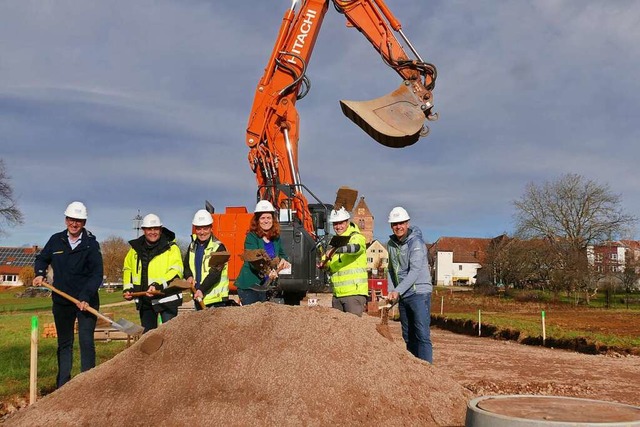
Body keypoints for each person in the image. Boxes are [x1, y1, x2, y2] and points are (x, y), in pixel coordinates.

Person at [33, 201, 104, 388]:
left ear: (84, 222)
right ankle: (63, 386)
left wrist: (85, 296)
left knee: (86, 341)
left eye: (78, 221)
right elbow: (41, 259)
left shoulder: (91, 244)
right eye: (71, 219)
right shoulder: (56, 240)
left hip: (86, 301)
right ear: (66, 220)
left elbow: (97, 274)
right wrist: (39, 274)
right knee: (65, 343)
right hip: (62, 301)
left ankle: (87, 384)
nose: (74, 224)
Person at [386, 206, 433, 363]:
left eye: (401, 223)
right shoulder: (391, 245)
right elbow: (391, 270)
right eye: (395, 224)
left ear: (407, 223)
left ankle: (427, 371)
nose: (398, 227)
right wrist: (390, 292)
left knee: (421, 334)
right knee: (407, 335)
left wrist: (397, 291)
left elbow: (414, 272)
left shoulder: (416, 243)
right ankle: (413, 370)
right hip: (404, 295)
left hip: (419, 293)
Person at [122, 213, 184, 333]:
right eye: (149, 229)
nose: (153, 232)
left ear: (161, 230)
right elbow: (127, 269)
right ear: (143, 230)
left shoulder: (171, 248)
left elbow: (176, 271)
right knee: (148, 338)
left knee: (169, 336)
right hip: (145, 300)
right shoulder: (134, 250)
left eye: (156, 229)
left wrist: (157, 285)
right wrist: (128, 289)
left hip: (167, 299)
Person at [235, 200, 291, 305]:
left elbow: (282, 254)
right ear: (257, 220)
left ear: (273, 220)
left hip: (267, 285)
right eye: (263, 218)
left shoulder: (276, 238)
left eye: (269, 218)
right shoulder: (251, 237)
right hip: (249, 286)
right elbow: (254, 260)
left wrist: (284, 261)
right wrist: (268, 271)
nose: (266, 221)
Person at [319, 207, 368, 316]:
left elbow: (356, 248)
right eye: (335, 224)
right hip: (337, 295)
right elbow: (327, 262)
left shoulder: (356, 237)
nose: (338, 227)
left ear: (347, 222)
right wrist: (323, 264)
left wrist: (337, 250)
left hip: (353, 294)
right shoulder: (334, 242)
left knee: (353, 330)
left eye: (341, 223)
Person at [183, 209, 230, 309]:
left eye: (205, 228)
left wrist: (201, 289)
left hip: (216, 300)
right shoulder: (192, 246)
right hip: (198, 296)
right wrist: (189, 276)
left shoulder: (219, 247)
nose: (202, 232)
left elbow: (215, 273)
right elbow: (186, 266)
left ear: (211, 228)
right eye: (199, 229)